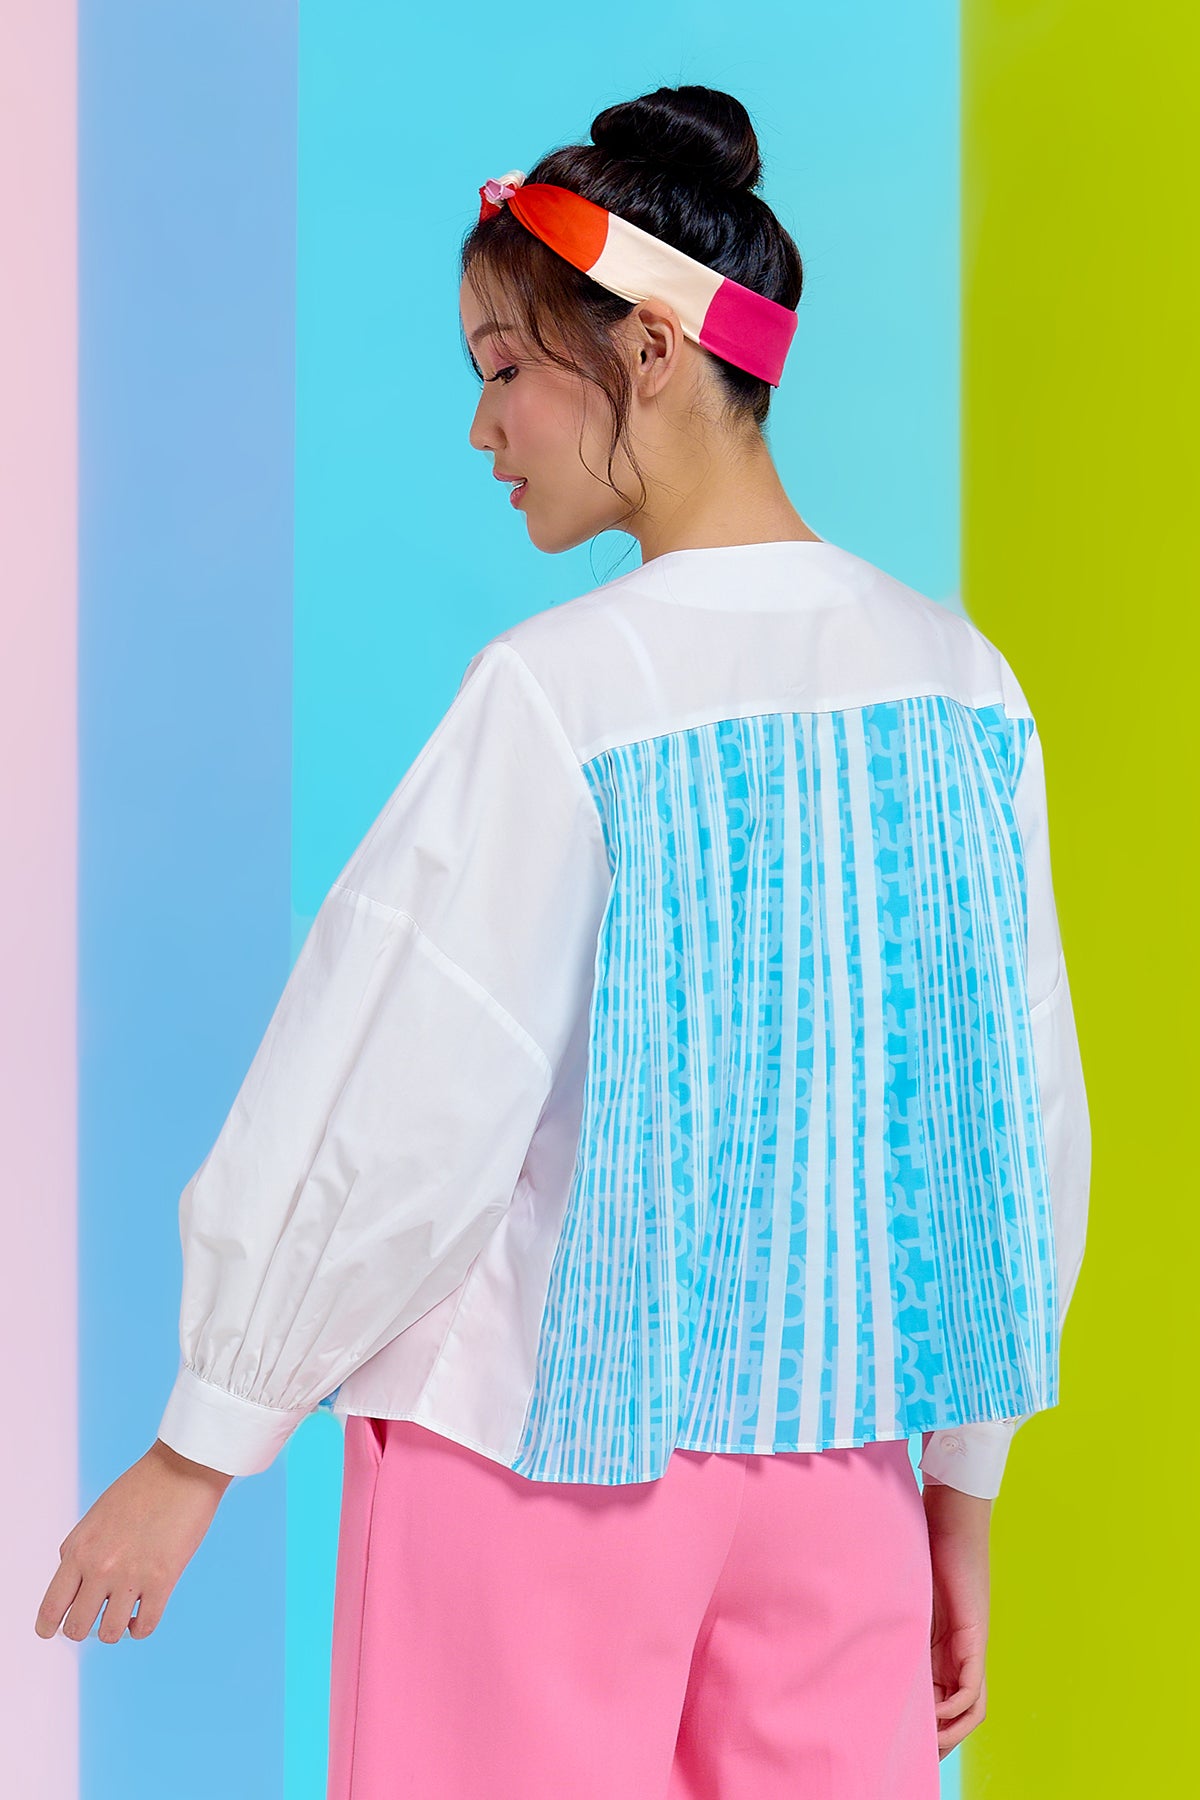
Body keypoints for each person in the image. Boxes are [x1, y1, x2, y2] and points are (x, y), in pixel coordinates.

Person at [34, 84, 1090, 1800]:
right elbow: (1011, 1127)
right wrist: (958, 1498)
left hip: (536, 1459)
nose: (483, 424)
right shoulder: (962, 685)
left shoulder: (567, 693)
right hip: (838, 1477)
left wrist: (201, 1444)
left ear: (652, 352)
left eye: (506, 365)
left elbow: (403, 1085)